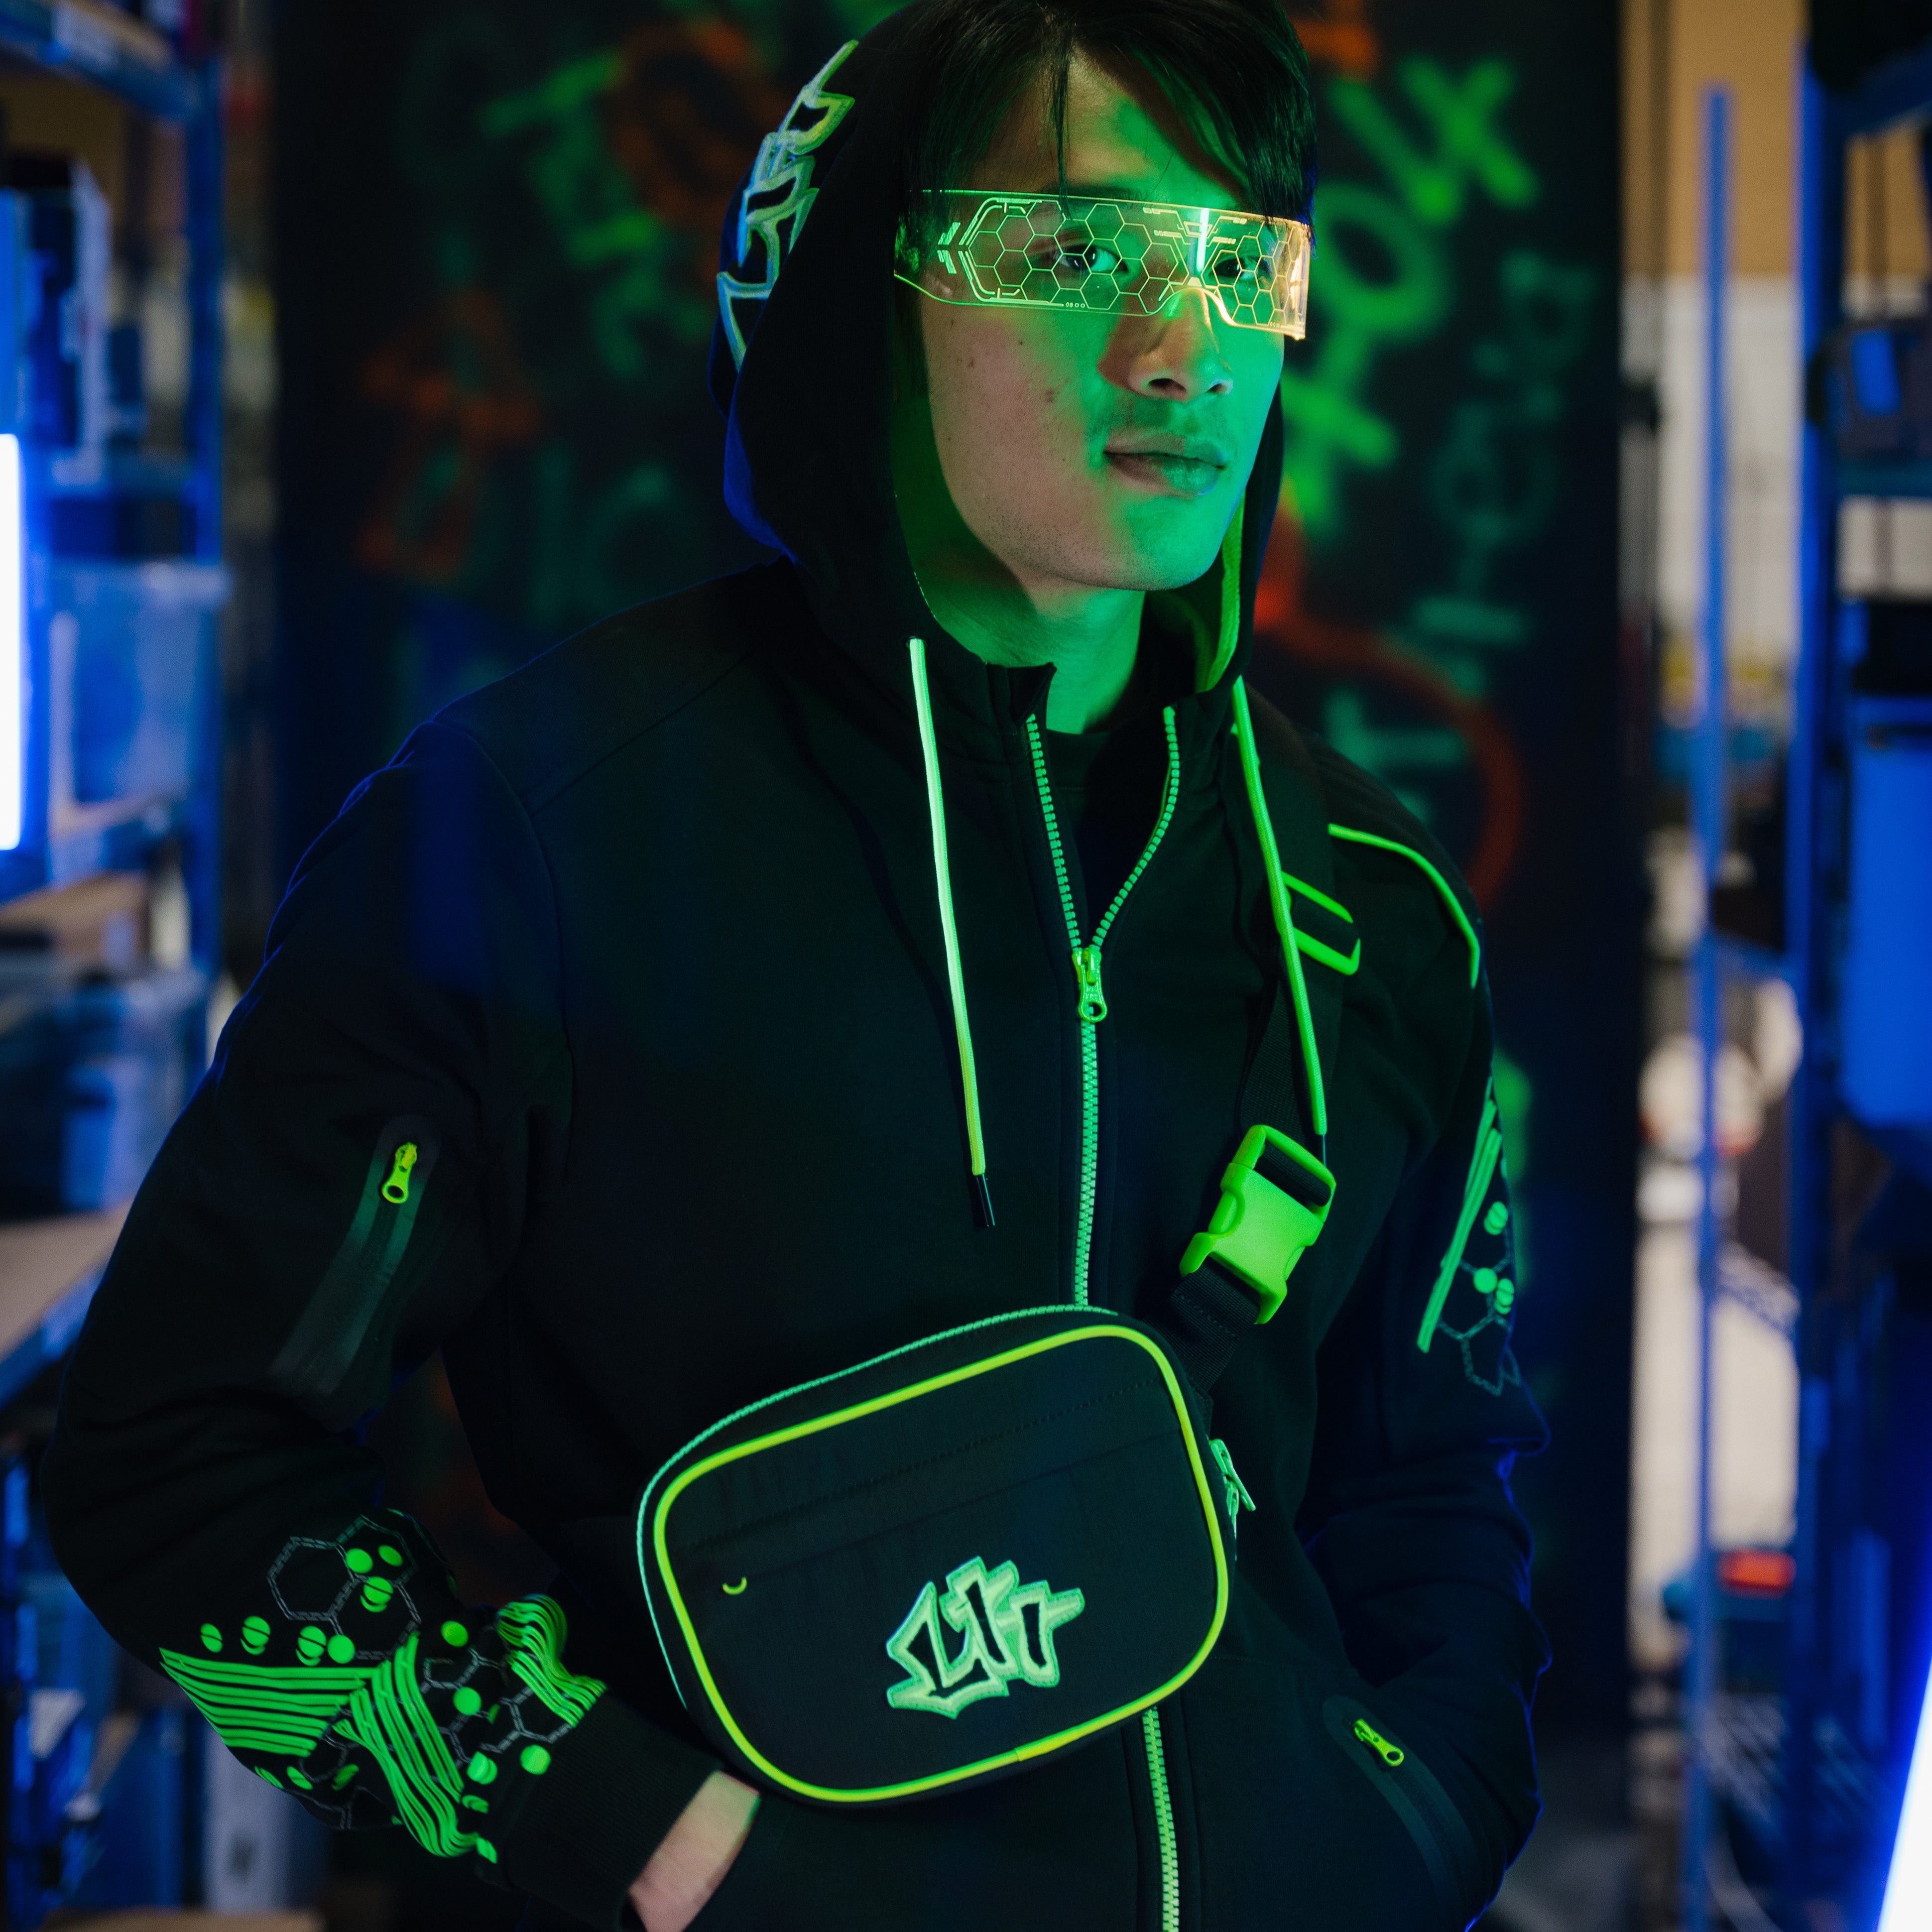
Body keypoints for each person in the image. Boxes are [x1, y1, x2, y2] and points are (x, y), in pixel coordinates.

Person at [43, 1, 1549, 1927]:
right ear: (859, 290)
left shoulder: (1372, 906)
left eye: (1237, 260)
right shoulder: (535, 840)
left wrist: (1417, 1827)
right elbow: (173, 1451)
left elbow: (1441, 1479)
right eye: (1072, 246)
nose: (1184, 344)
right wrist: (650, 1844)